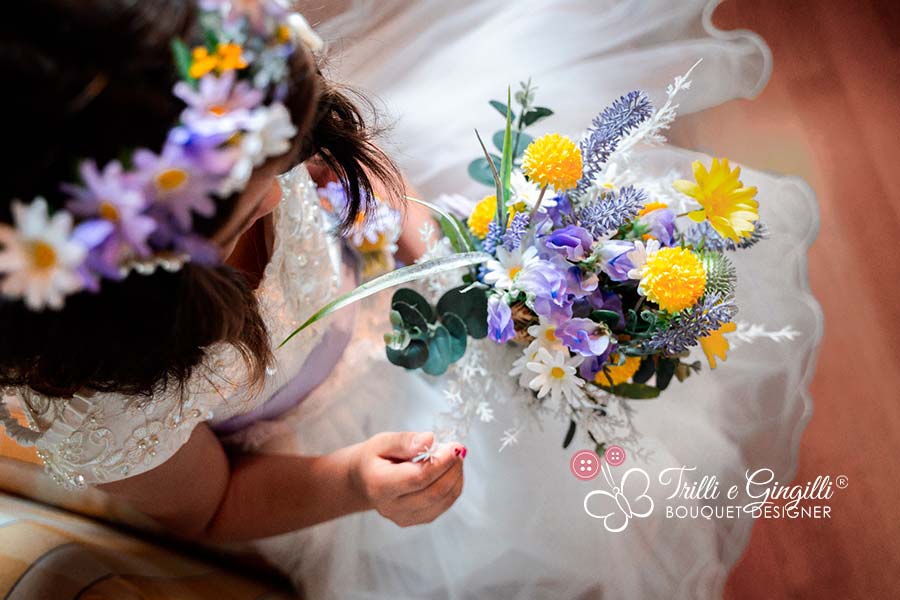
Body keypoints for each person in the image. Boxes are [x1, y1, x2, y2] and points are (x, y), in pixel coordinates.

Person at [0, 1, 822, 598]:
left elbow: (347, 166)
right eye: (256, 206)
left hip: (396, 280)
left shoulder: (244, 108)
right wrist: (357, 481)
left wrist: (421, 238)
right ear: (143, 269)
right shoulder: (112, 395)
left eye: (291, 158)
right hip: (325, 449)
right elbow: (210, 506)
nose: (288, 184)